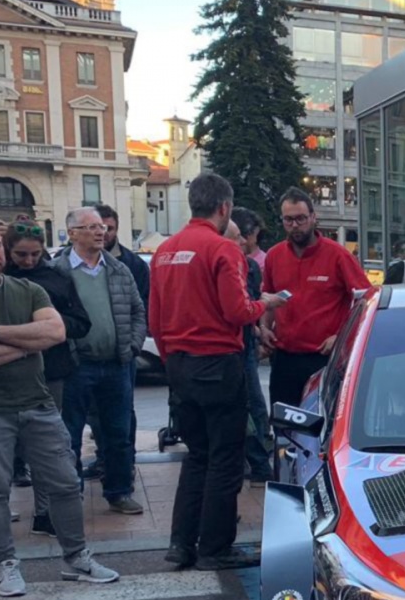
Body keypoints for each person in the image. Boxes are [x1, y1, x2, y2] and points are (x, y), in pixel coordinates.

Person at [0, 205, 119, 595]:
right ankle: (6, 564)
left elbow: (55, 331)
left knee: (66, 483)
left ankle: (76, 556)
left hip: (38, 402)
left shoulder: (28, 288)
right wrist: (25, 346)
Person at [150, 173, 288, 570]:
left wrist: (170, 359)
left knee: (197, 456)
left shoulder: (165, 251)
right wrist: (267, 304)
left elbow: (155, 318)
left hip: (178, 363)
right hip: (218, 362)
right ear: (224, 207)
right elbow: (237, 312)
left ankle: (181, 544)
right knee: (226, 459)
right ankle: (215, 547)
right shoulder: (223, 250)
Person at [56, 206, 146, 515]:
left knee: (118, 434)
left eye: (102, 227)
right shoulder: (57, 271)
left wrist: (132, 346)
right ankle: (72, 495)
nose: (100, 232)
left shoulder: (118, 269)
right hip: (76, 366)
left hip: (116, 364)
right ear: (73, 234)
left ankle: (119, 492)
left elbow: (137, 311)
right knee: (70, 434)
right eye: (91, 227)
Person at [8, 222, 91, 537]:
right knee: (2, 446)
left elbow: (81, 322)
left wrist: (49, 325)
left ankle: (44, 511)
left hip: (50, 371)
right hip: (4, 371)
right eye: (21, 255)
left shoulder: (55, 278)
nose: (28, 261)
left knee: (46, 444)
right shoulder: (0, 276)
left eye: (34, 254)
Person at [261, 188, 369, 410]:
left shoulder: (337, 255)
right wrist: (264, 326)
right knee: (284, 426)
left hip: (323, 359)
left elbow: (365, 300)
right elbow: (267, 299)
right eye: (288, 219)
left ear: (313, 217)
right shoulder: (274, 256)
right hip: (284, 358)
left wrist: (340, 337)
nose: (295, 225)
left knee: (322, 426)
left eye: (300, 218)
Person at [232, 207, 272, 486]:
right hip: (235, 345)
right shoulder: (238, 264)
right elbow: (244, 308)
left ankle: (258, 462)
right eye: (240, 238)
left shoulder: (253, 266)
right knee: (249, 403)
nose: (245, 243)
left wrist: (259, 329)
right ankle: (256, 462)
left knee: (253, 404)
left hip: (243, 343)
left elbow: (248, 309)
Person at [95, 204, 150, 307]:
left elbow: (143, 306)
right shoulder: (66, 261)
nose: (103, 233)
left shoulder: (135, 265)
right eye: (99, 227)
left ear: (116, 230)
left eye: (109, 228)